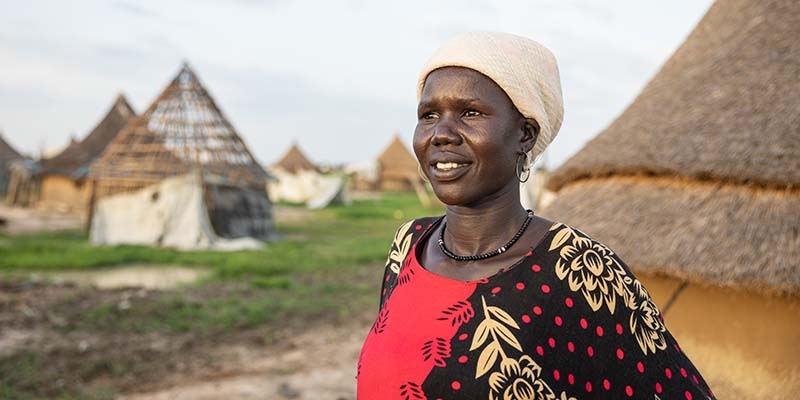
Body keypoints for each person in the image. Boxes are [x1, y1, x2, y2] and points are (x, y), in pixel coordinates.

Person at [357, 31, 715, 400]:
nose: (441, 134)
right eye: (429, 115)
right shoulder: (409, 245)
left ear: (525, 135)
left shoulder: (578, 270)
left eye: (470, 112)